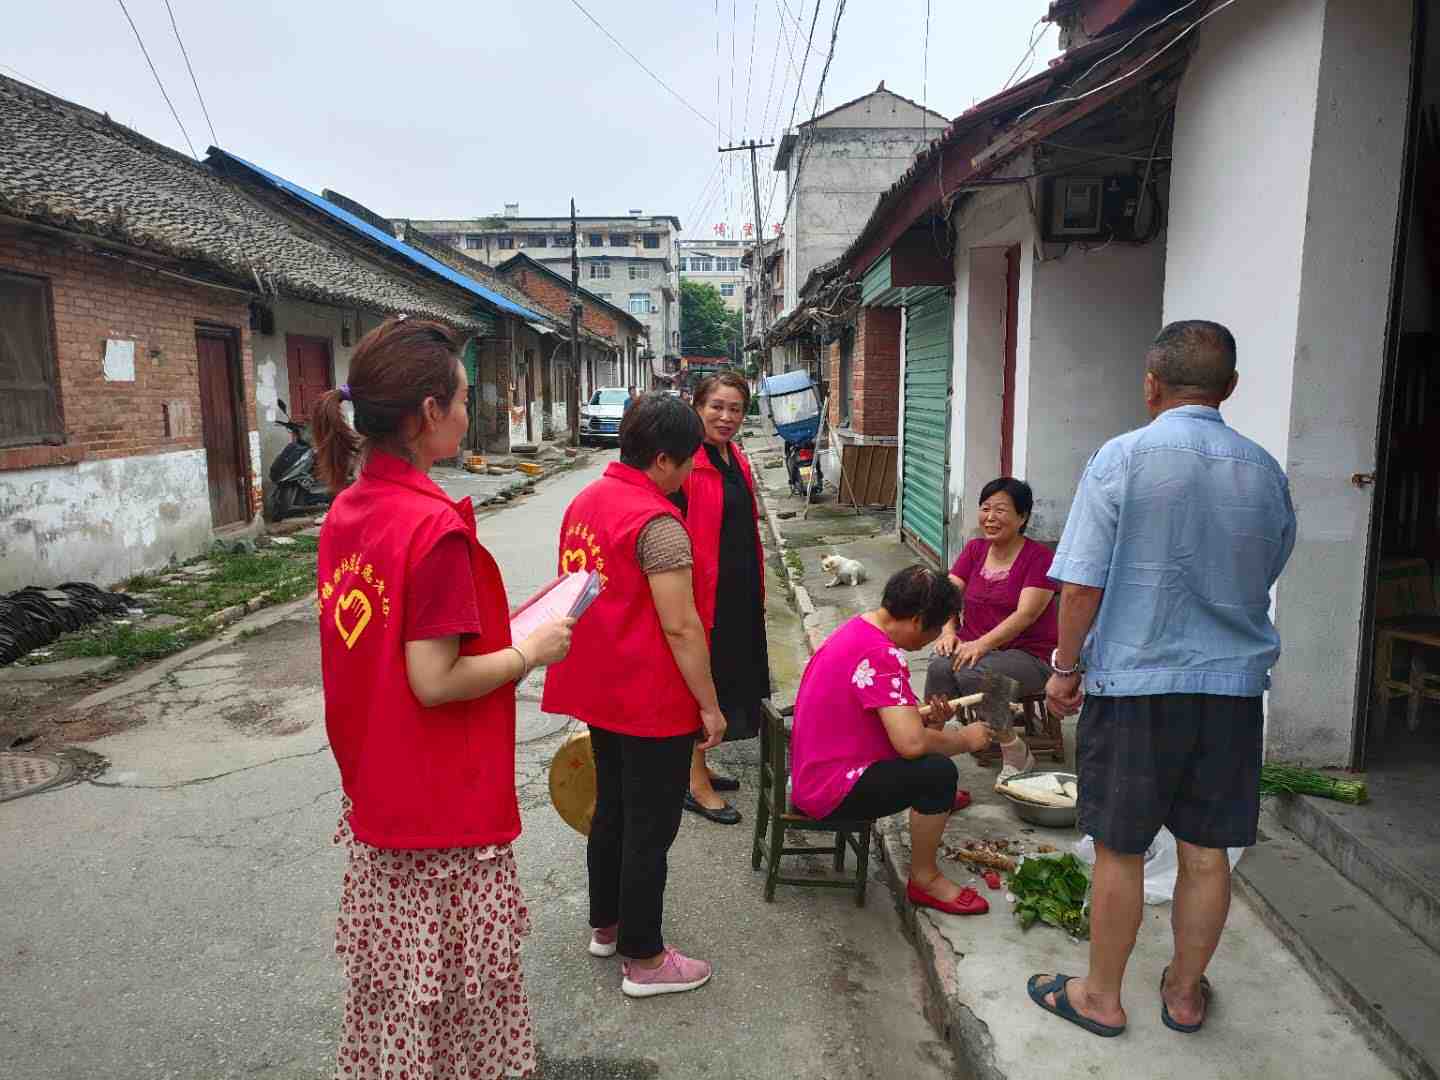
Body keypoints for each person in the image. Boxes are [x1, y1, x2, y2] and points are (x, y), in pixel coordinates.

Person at [312, 317, 574, 1079]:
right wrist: (529, 651)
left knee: (397, 994)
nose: (467, 411)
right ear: (429, 412)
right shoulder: (433, 530)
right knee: (459, 1001)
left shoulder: (350, 510)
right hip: (442, 812)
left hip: (380, 790)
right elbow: (434, 680)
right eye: (462, 398)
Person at [1029, 320, 1296, 1038]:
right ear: (1229, 388)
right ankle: (1183, 993)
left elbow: (1080, 585)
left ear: (1151, 384)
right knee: (1207, 850)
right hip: (1230, 689)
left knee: (1120, 847)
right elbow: (1269, 565)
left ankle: (1101, 997)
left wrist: (1064, 668)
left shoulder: (1121, 458)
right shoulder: (1264, 470)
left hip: (1136, 686)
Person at [542, 393, 727, 998]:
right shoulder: (657, 523)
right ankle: (645, 959)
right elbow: (681, 627)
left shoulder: (585, 502)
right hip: (649, 698)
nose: (690, 473)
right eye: (689, 460)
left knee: (612, 810)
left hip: (602, 688)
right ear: (665, 460)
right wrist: (709, 705)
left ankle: (608, 923)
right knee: (650, 827)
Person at [790, 565, 996, 916]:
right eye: (935, 629)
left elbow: (880, 714)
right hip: (831, 788)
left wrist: (926, 719)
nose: (933, 639)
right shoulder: (881, 654)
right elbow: (911, 745)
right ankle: (924, 879)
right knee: (938, 775)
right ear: (917, 620)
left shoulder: (859, 629)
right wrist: (964, 739)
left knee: (931, 762)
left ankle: (936, 807)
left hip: (816, 770)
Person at [671, 371, 769, 825]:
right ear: (697, 407)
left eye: (736, 409)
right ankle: (693, 782)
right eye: (717, 407)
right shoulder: (687, 463)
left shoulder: (736, 457)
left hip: (738, 592)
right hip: (704, 595)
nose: (726, 417)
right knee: (702, 682)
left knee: (728, 680)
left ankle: (701, 765)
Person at [924, 477, 1059, 786]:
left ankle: (1013, 748)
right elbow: (947, 596)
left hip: (1028, 655)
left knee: (974, 673)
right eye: (985, 508)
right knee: (940, 665)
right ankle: (930, 743)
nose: (990, 517)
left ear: (1022, 517)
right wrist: (948, 632)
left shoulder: (1040, 558)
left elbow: (1026, 614)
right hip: (974, 649)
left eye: (1001, 510)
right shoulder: (975, 550)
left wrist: (981, 645)